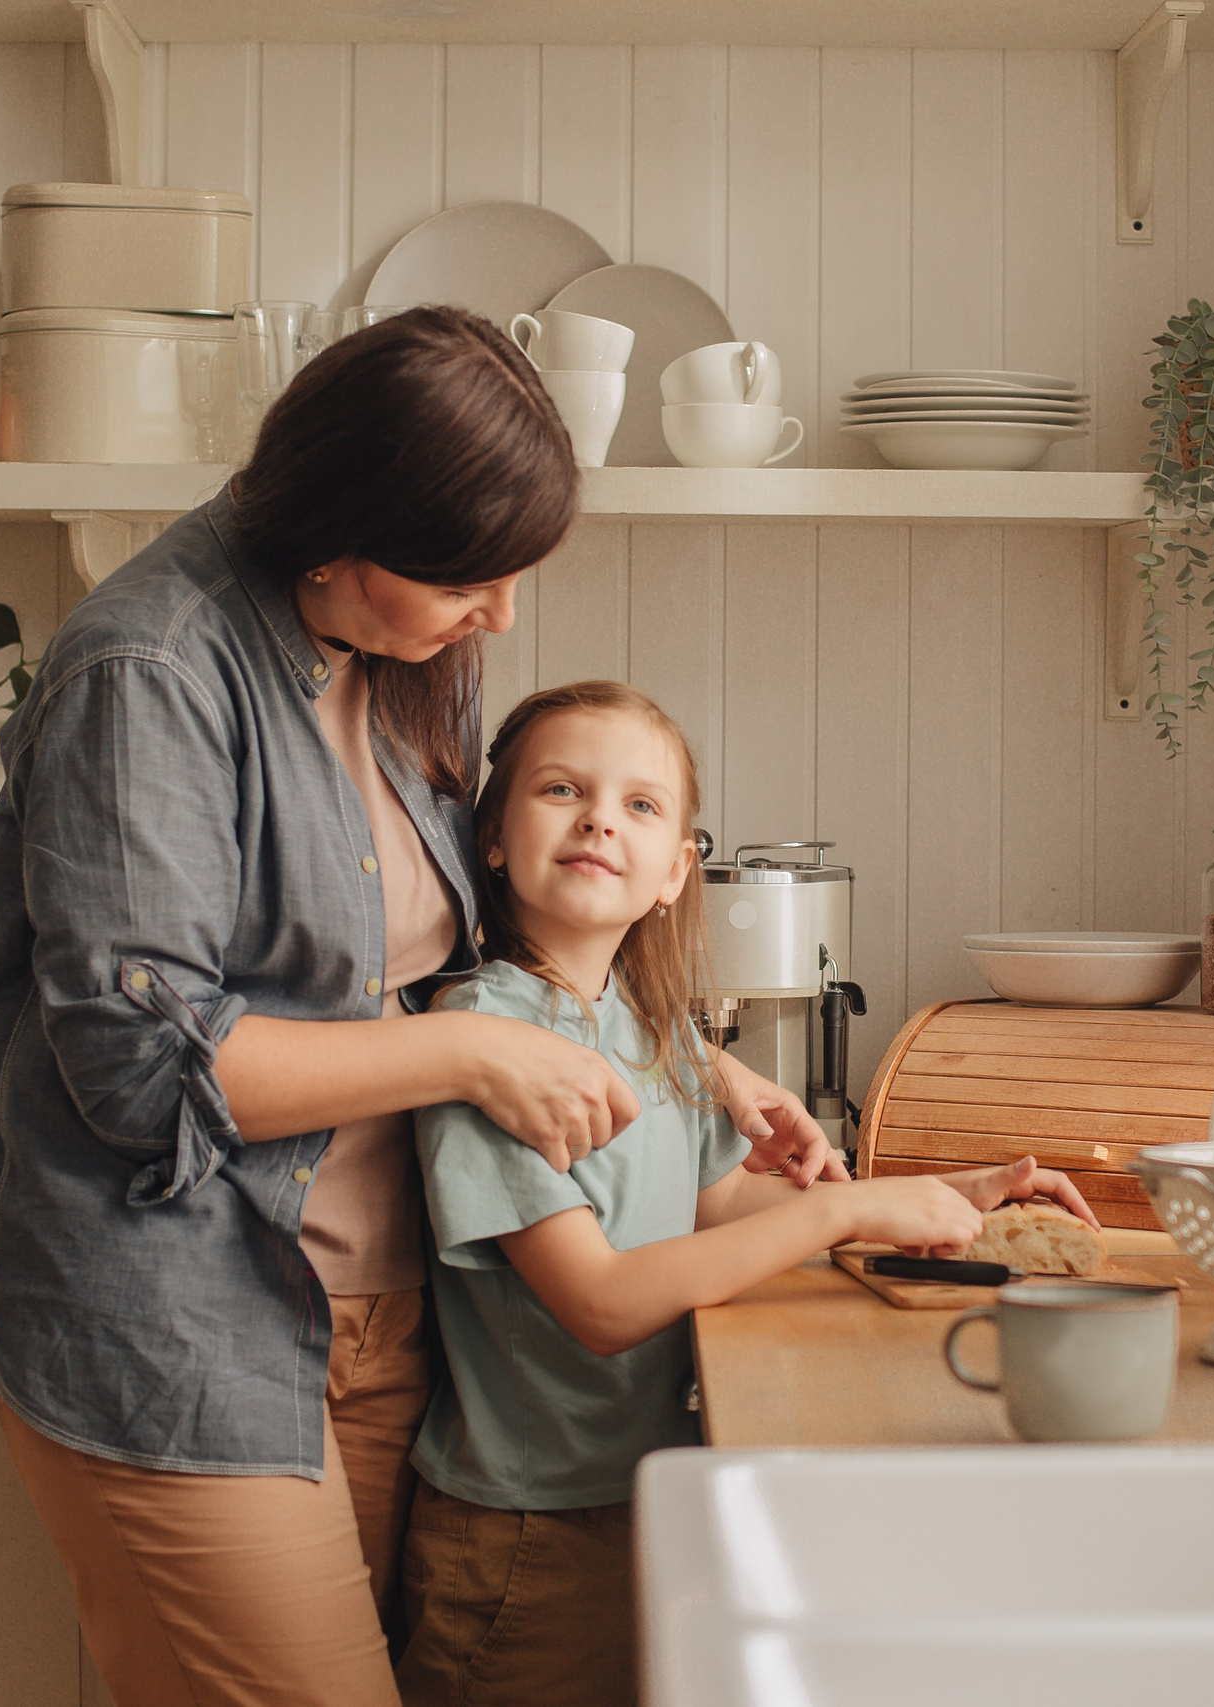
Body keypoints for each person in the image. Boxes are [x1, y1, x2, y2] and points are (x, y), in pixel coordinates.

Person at [0, 309, 843, 1707]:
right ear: (340, 525)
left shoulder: (403, 643)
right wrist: (475, 1051)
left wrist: (701, 1072)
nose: (497, 614)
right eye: (467, 578)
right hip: (182, 1323)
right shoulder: (149, 671)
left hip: (381, 1324)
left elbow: (454, 942)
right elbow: (140, 1069)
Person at [396, 680, 1099, 1706]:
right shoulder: (490, 1045)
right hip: (523, 1531)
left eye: (641, 805)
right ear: (493, 837)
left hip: (637, 1487)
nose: (599, 816)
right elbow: (598, 1304)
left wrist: (957, 1193)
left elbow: (713, 1208)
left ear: (679, 871)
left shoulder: (651, 1028)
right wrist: (841, 1211)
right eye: (560, 789)